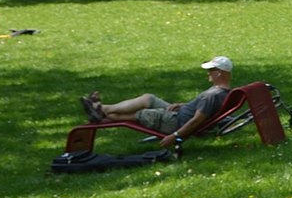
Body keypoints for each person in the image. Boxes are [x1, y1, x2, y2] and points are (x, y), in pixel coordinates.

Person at [82, 57, 235, 145]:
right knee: (148, 98)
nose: (207, 73)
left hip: (175, 122)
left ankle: (100, 111)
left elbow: (195, 121)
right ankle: (101, 109)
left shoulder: (212, 95)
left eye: (210, 70)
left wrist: (175, 136)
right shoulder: (223, 92)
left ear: (219, 73)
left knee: (139, 114)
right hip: (180, 113)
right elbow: (203, 110)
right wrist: (183, 105)